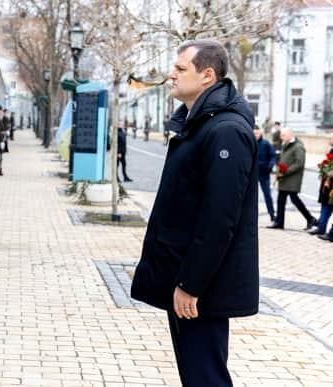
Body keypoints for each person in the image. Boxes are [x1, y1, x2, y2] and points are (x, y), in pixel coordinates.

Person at [131, 39, 259, 386]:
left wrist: (191, 284)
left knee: (205, 377)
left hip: (203, 287)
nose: (171, 75)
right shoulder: (200, 124)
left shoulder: (226, 131)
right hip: (188, 278)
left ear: (206, 76)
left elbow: (219, 219)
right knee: (196, 375)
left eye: (180, 69)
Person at [267, 127, 317, 230]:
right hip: (284, 178)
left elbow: (299, 163)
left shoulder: (298, 147)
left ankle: (311, 219)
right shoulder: (285, 144)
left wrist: (285, 171)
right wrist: (278, 169)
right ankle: (279, 222)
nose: (281, 137)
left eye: (283, 135)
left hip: (292, 179)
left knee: (295, 200)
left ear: (290, 135)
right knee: (281, 200)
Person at [310, 134, 333, 237]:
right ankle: (321, 228)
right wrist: (324, 168)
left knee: (328, 206)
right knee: (325, 206)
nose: (329, 139)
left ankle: (331, 233)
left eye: (331, 138)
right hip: (327, 184)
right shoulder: (332, 150)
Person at [254, 126, 277, 221]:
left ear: (260, 133)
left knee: (267, 195)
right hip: (252, 174)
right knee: (250, 197)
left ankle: (272, 214)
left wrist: (271, 165)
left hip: (264, 173)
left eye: (257, 133)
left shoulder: (266, 144)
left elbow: (273, 156)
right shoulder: (248, 143)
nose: (255, 135)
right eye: (254, 134)